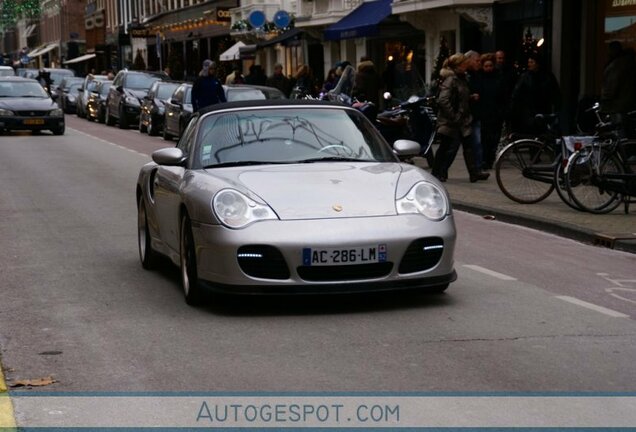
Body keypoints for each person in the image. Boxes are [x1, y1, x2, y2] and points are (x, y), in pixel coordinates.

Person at [431, 53, 490, 183]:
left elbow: (459, 95)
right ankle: (437, 172)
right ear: (458, 65)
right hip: (451, 121)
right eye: (464, 63)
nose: (466, 65)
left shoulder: (461, 78)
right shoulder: (451, 79)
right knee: (445, 147)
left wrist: (469, 97)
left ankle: (473, 172)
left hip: (463, 120)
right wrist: (454, 115)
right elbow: (443, 100)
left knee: (468, 146)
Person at [509, 53, 561, 135]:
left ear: (538, 64)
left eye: (532, 62)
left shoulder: (548, 76)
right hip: (529, 112)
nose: (529, 64)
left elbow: (555, 94)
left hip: (543, 111)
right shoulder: (525, 77)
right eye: (529, 62)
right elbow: (516, 94)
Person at [600, 41, 636, 132]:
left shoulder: (616, 65)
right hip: (629, 105)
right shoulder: (630, 63)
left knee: (616, 132)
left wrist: (605, 100)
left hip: (616, 106)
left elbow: (610, 88)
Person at [479, 53, 506, 169]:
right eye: (486, 66)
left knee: (494, 138)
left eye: (490, 66)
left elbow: (503, 95)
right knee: (485, 139)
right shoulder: (480, 78)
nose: (489, 68)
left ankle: (490, 159)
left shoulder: (499, 78)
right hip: (484, 113)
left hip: (496, 113)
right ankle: (485, 160)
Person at [465, 50, 485, 171]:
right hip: (466, 114)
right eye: (477, 61)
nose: (479, 63)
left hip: (475, 114)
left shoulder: (478, 75)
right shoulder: (465, 76)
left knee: (476, 143)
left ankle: (477, 168)